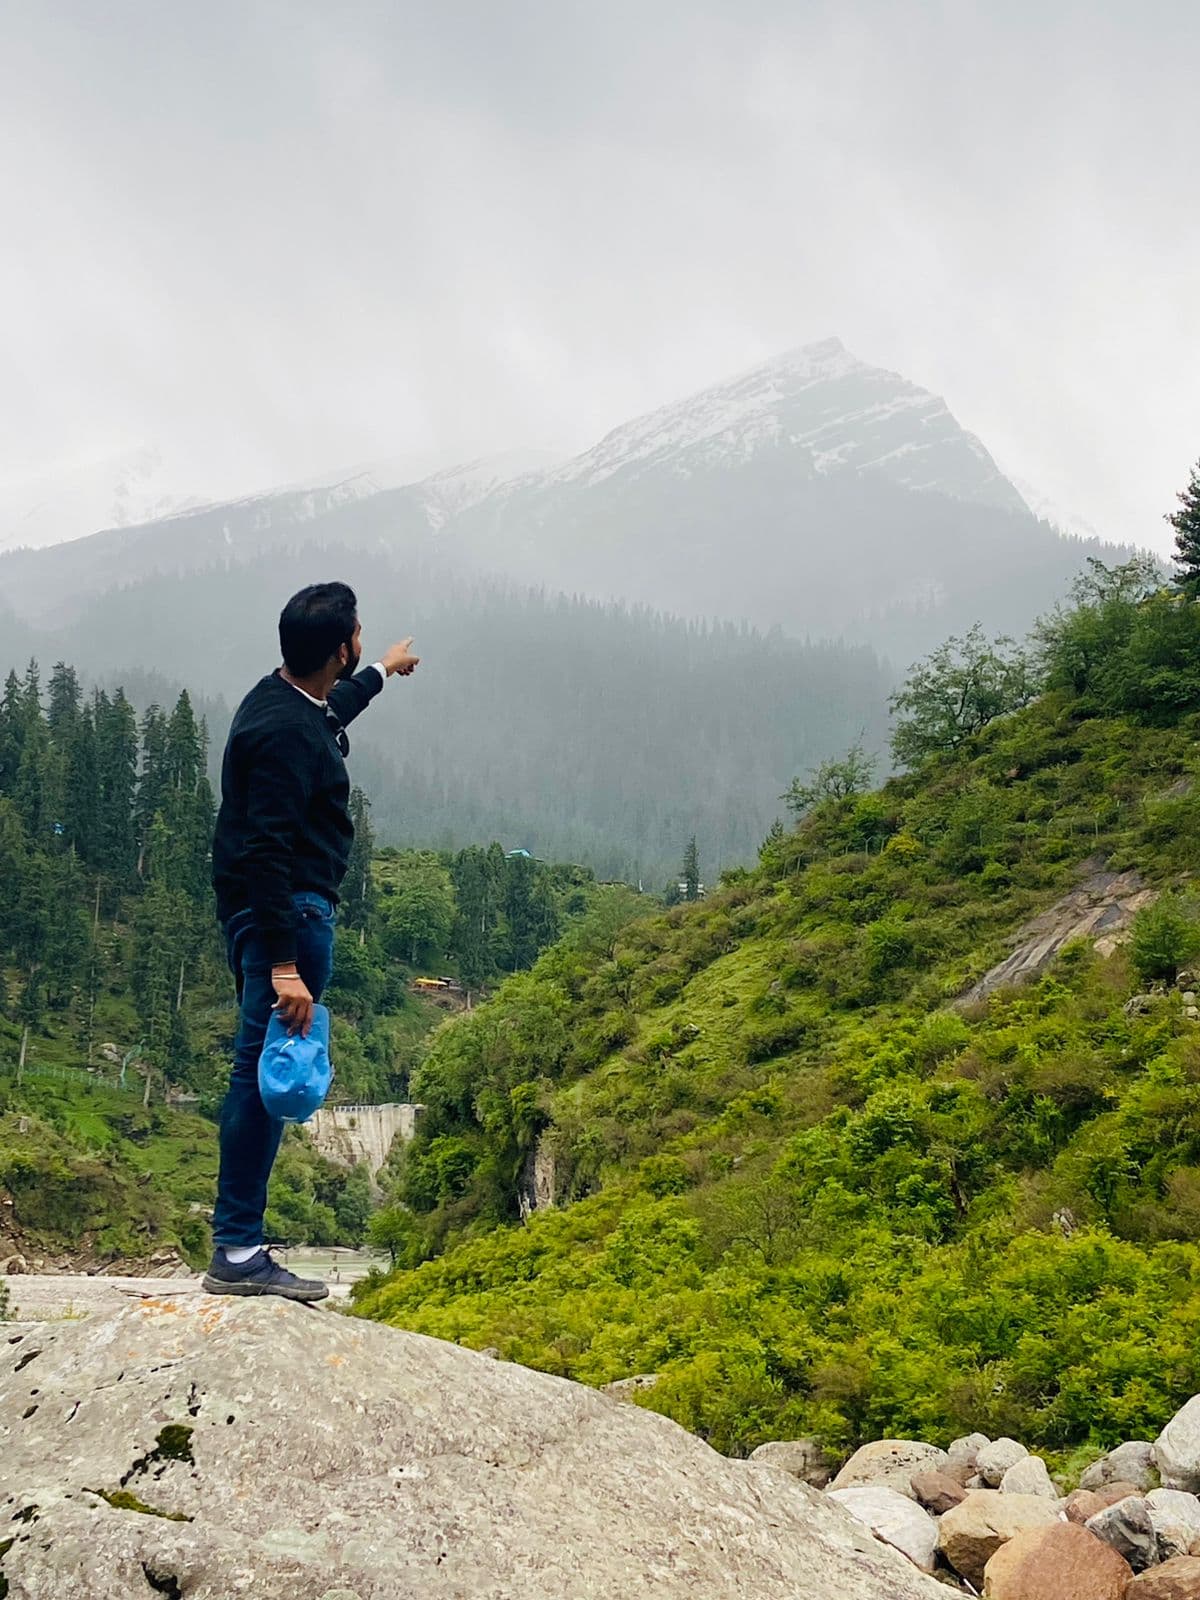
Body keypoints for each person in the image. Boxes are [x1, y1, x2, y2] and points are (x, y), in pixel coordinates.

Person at [203, 582, 419, 1301]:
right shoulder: (285, 735)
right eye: (360, 636)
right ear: (340, 646)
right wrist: (285, 966)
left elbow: (331, 712)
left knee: (263, 1075)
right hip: (288, 920)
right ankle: (237, 1250)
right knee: (262, 1081)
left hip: (273, 918)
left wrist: (384, 672)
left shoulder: (283, 703)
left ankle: (240, 1243)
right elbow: (266, 849)